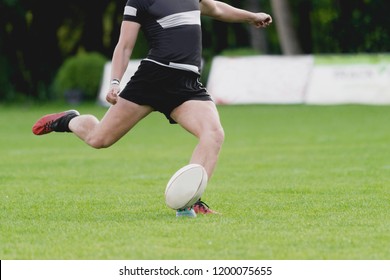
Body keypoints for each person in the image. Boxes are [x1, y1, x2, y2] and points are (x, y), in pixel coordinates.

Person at [32, 0, 272, 218]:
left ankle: (191, 201)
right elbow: (124, 46)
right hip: (153, 79)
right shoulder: (139, 1)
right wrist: (115, 82)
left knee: (214, 134)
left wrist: (251, 17)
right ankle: (68, 120)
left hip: (187, 84)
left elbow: (217, 9)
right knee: (98, 139)